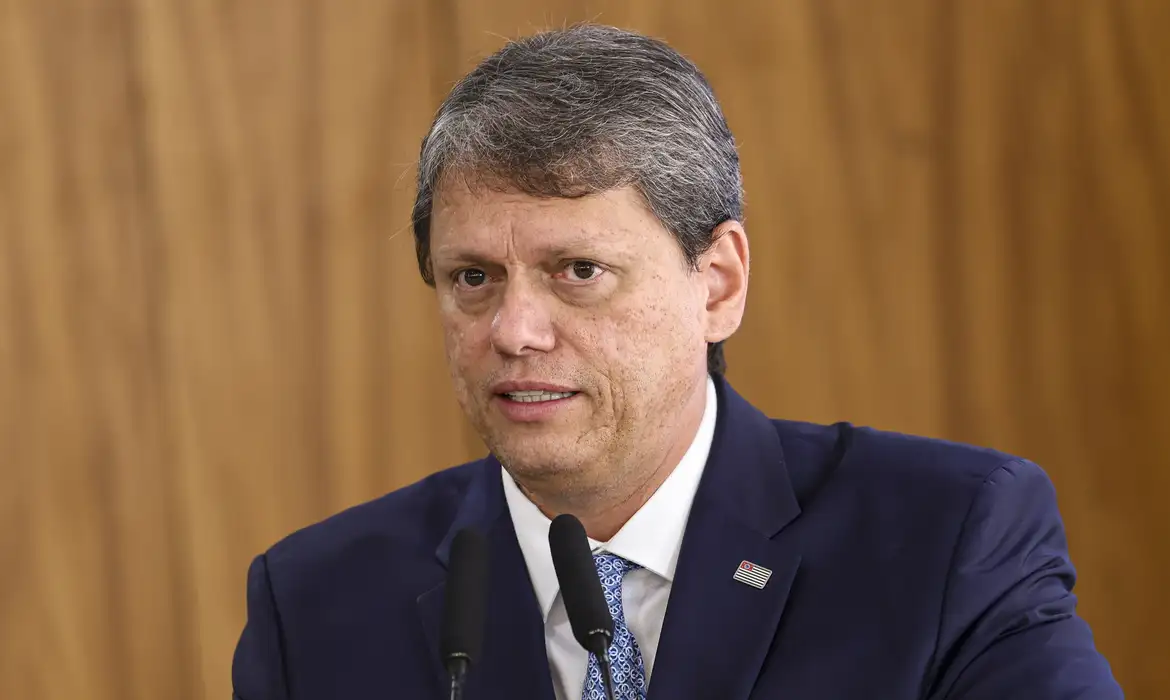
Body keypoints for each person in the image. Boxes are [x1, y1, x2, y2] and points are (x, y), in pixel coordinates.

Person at [231, 23, 1122, 700]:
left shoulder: (946, 540)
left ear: (718, 284)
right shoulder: (315, 606)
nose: (513, 331)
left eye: (578, 271)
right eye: (473, 277)